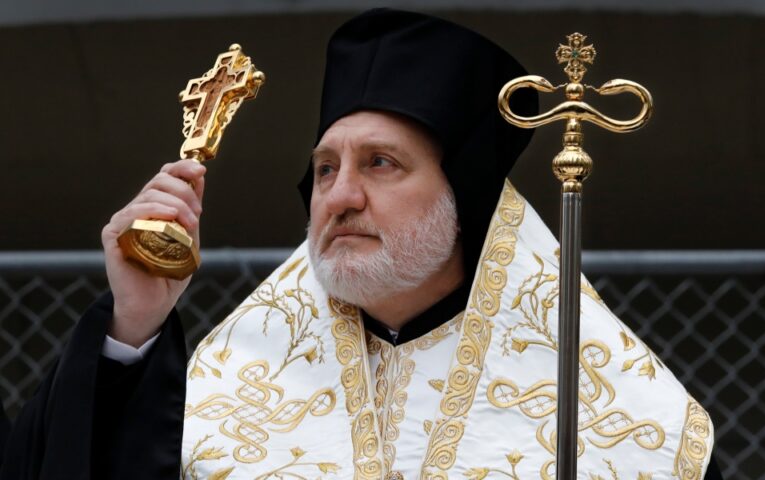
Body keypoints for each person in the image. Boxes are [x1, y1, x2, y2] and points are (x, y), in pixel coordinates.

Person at [0, 9, 721, 480]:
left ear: (464, 199)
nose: (339, 196)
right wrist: (134, 323)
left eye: (381, 163)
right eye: (324, 169)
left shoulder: (630, 421)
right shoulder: (229, 383)